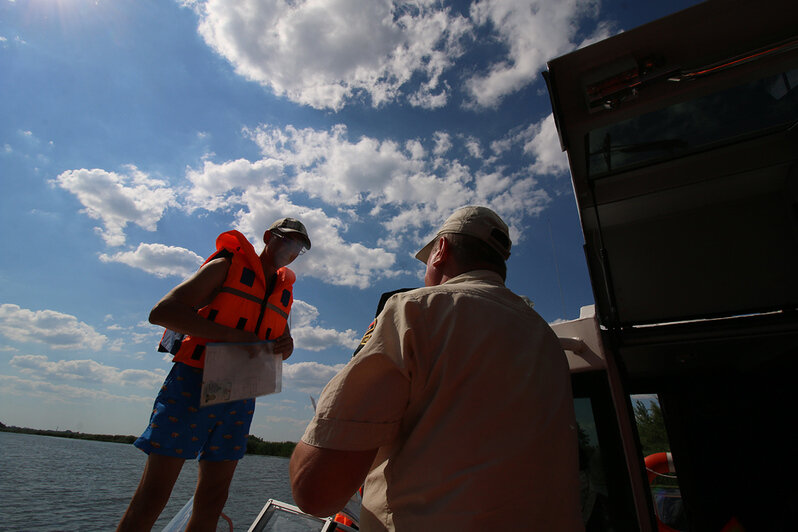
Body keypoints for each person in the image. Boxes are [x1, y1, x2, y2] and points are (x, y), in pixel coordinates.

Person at [289, 206, 583, 531]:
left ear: (440, 251)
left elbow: (315, 491)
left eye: (427, 258)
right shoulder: (548, 338)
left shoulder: (415, 310)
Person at [117, 218, 311, 532]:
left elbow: (281, 347)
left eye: (299, 247)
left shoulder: (284, 292)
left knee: (214, 498)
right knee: (153, 495)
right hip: (192, 381)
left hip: (241, 393)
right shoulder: (226, 265)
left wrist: (286, 346)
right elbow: (162, 312)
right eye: (287, 240)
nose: (292, 250)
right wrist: (233, 337)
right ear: (268, 238)